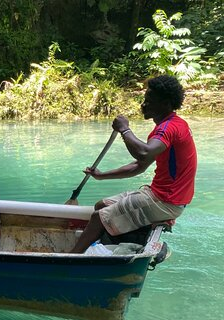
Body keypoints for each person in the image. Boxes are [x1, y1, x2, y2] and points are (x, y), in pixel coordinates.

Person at [70, 75, 197, 253]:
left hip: (165, 201)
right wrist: (101, 175)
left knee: (99, 217)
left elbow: (143, 153)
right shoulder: (168, 127)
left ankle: (71, 258)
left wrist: (125, 129)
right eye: (145, 100)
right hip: (158, 194)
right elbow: (139, 166)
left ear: (166, 103)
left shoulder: (169, 128)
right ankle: (95, 250)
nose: (144, 105)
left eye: (150, 101)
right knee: (101, 205)